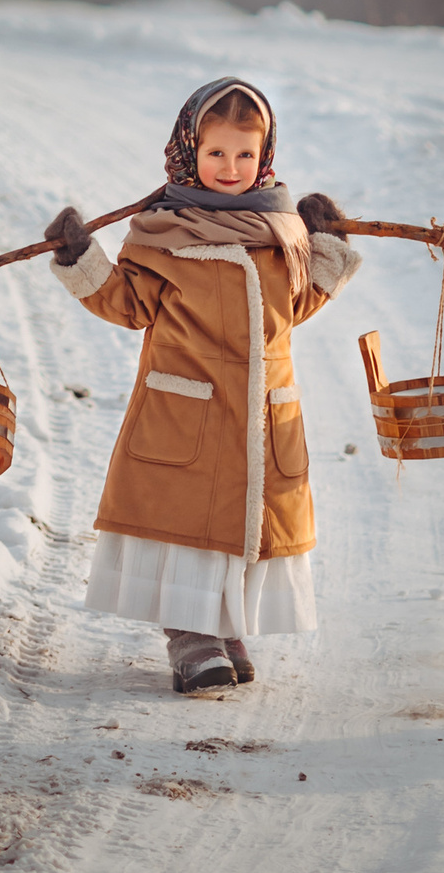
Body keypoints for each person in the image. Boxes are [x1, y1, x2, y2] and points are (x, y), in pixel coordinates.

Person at [44, 77, 359, 699]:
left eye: (245, 154)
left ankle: (225, 626)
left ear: (264, 155)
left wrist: (326, 246)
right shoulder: (164, 230)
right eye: (216, 153)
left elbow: (295, 306)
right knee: (185, 525)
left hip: (262, 411)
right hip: (186, 406)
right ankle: (191, 636)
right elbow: (128, 304)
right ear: (191, 150)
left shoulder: (280, 230)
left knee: (242, 526)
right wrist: (81, 258)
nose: (230, 168)